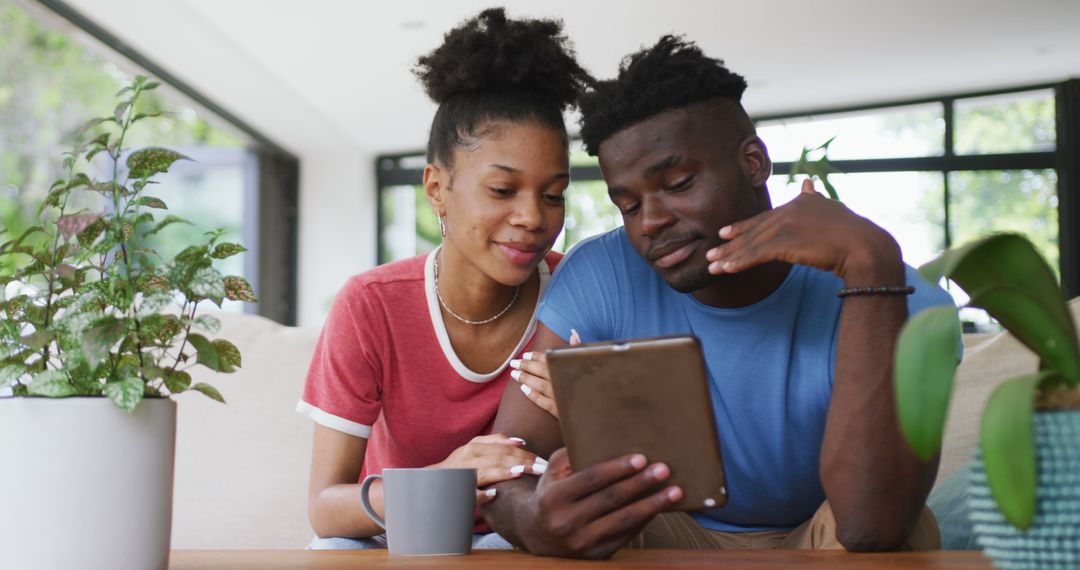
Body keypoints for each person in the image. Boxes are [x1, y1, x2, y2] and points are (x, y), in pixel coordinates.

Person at [483, 35, 956, 559]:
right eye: (629, 204)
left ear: (753, 163)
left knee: (913, 528)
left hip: (822, 534)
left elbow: (871, 526)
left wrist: (871, 261)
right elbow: (508, 464)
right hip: (666, 526)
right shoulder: (602, 271)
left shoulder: (905, 299)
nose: (652, 222)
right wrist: (534, 519)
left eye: (679, 183)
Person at [296, 8, 590, 549]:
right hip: (400, 528)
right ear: (437, 189)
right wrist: (443, 482)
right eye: (503, 191)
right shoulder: (371, 305)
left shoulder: (579, 288)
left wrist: (595, 407)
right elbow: (325, 508)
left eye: (553, 194)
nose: (534, 217)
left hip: (519, 533)